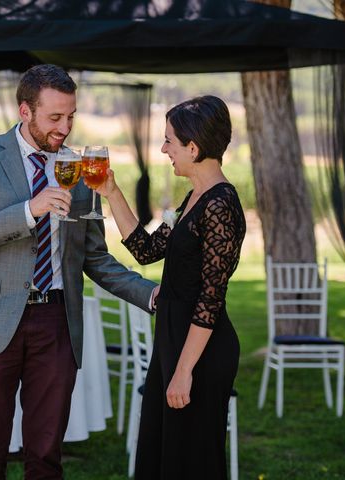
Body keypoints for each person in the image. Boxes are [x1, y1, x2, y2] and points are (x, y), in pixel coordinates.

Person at [0, 64, 158, 480]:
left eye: (71, 116)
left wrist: (150, 294)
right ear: (25, 111)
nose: (65, 127)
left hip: (57, 322)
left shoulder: (80, 170)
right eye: (55, 117)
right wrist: (30, 210)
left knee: (46, 457)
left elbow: (95, 258)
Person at [95, 95, 246, 479]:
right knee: (161, 453)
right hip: (172, 344)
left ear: (193, 148)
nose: (164, 150)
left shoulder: (220, 204)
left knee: (190, 460)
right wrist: (112, 191)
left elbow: (210, 300)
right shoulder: (193, 198)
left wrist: (183, 371)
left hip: (199, 355)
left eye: (169, 142)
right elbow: (146, 251)